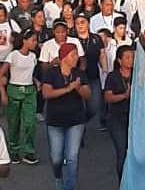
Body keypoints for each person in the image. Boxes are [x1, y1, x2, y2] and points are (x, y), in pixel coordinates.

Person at [42, 43, 91, 190]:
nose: (77, 58)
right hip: (55, 121)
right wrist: (68, 88)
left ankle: (69, 187)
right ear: (64, 57)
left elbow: (88, 95)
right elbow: (47, 93)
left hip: (76, 120)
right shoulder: (51, 73)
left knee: (72, 157)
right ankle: (58, 177)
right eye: (73, 54)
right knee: (56, 158)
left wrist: (78, 88)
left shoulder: (79, 74)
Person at [0, 28, 39, 165]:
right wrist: (3, 92)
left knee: (30, 122)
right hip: (14, 88)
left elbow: (30, 73)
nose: (35, 43)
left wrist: (36, 82)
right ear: (25, 41)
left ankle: (29, 151)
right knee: (14, 122)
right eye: (32, 40)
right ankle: (14, 150)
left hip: (29, 90)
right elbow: (0, 74)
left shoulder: (33, 56)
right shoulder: (13, 55)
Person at [103, 45, 134, 181]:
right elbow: (108, 97)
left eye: (132, 57)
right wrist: (124, 96)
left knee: (133, 152)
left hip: (134, 118)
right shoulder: (113, 76)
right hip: (116, 118)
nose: (131, 60)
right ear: (119, 61)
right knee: (121, 151)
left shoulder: (138, 75)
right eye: (127, 57)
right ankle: (122, 182)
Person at [71, 12, 107, 129]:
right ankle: (78, 129)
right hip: (76, 77)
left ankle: (82, 121)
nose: (80, 25)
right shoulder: (72, 39)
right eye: (77, 23)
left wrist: (105, 70)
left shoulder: (96, 38)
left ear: (88, 23)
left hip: (93, 76)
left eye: (83, 22)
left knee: (94, 105)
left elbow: (102, 54)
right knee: (78, 105)